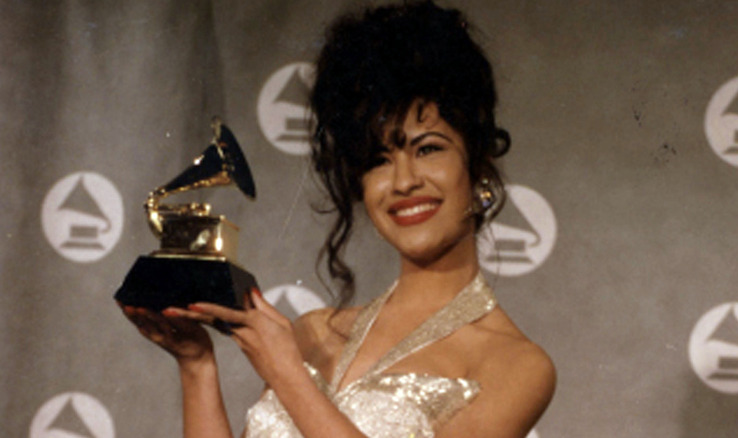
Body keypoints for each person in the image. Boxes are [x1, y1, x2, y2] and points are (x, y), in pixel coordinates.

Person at [121, 1, 555, 437]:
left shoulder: (515, 366)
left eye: (428, 149)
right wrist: (197, 366)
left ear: (477, 167)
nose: (403, 181)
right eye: (379, 160)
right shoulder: (312, 333)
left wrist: (290, 376)